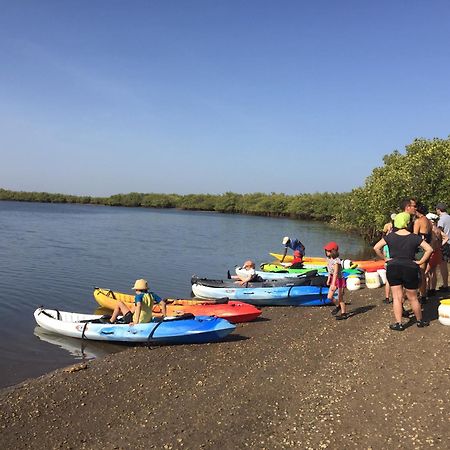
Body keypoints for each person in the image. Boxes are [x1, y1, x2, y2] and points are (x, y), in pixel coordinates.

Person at [373, 212, 433, 331]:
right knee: (413, 297)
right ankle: (420, 321)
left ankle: (399, 323)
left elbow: (376, 247)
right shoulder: (414, 237)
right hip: (410, 267)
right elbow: (429, 249)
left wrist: (385, 259)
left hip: (393, 267)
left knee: (396, 297)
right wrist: (420, 262)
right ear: (408, 223)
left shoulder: (390, 236)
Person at [425, 213, 449, 296]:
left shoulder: (430, 230)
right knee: (433, 272)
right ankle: (432, 289)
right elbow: (446, 237)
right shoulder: (438, 230)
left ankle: (427, 289)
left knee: (426, 272)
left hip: (431, 252)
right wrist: (440, 245)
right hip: (437, 252)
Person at [414, 202, 432, 303]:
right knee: (423, 273)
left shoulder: (418, 221)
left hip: (420, 249)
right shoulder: (428, 221)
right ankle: (423, 295)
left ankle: (420, 294)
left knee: (419, 273)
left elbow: (414, 237)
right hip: (427, 248)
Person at [324, 241, 347, 320]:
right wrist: (328, 279)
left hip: (339, 280)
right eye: (326, 250)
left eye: (329, 251)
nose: (327, 252)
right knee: (329, 297)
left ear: (333, 251)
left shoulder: (336, 261)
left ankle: (344, 313)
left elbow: (336, 273)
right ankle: (338, 306)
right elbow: (329, 271)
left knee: (340, 297)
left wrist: (333, 283)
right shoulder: (328, 259)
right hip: (332, 279)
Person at [436, 203, 450, 291]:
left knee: (443, 265)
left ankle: (445, 285)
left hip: (445, 243)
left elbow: (438, 231)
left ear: (438, 209)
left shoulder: (441, 219)